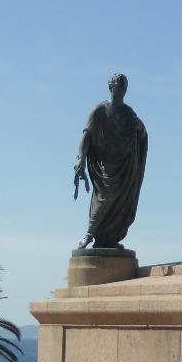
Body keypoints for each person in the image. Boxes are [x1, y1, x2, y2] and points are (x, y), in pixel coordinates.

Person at [73, 73, 148, 249]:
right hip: (105, 164)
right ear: (111, 87)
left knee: (122, 200)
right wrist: (82, 159)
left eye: (124, 86)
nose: (122, 89)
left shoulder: (129, 112)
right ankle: (89, 234)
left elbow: (142, 132)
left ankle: (109, 238)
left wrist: (140, 132)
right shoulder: (99, 110)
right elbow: (87, 135)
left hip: (125, 164)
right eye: (119, 85)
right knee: (106, 196)